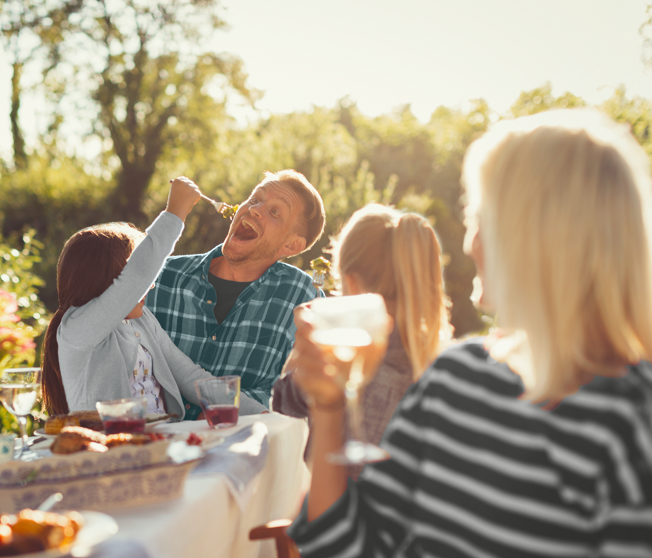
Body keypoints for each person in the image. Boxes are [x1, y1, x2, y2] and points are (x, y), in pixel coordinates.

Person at [286, 110, 652, 557]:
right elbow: (346, 547)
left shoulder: (645, 415)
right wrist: (328, 407)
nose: (469, 243)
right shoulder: (454, 375)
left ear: (539, 234)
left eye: (479, 216)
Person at [40, 178, 267, 417]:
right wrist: (174, 214)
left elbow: (191, 377)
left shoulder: (141, 321)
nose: (151, 284)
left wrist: (261, 413)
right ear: (105, 279)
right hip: (112, 448)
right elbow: (136, 277)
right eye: (142, 279)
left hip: (164, 441)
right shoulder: (77, 328)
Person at [146, 170, 326, 420]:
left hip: (244, 453)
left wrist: (228, 409)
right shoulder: (162, 276)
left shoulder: (304, 297)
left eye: (275, 212)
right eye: (255, 199)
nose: (255, 209)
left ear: (290, 245)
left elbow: (303, 393)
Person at [272, 203, 450, 454]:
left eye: (339, 285)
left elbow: (284, 405)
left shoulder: (341, 360)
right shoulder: (437, 360)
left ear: (353, 285)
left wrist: (305, 340)